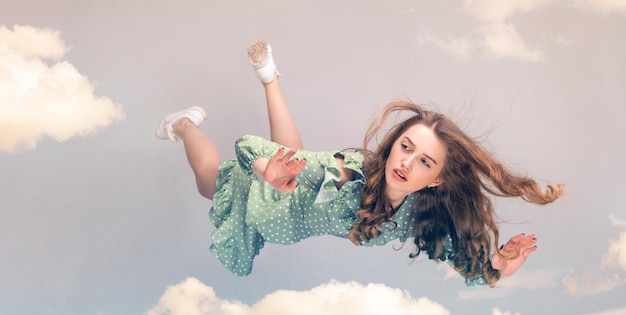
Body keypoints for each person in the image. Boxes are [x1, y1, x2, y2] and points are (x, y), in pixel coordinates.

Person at [155, 40, 564, 286]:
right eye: (405, 147)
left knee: (294, 157)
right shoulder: (347, 171)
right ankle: (186, 124)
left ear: (437, 180)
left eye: (425, 161)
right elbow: (245, 145)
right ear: (393, 146)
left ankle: (269, 78)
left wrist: (497, 265)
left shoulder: (418, 216)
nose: (406, 163)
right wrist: (266, 171)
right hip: (272, 193)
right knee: (210, 182)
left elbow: (462, 264)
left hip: (295, 198)